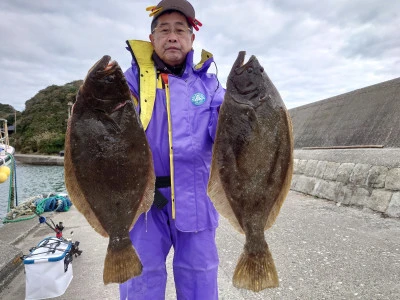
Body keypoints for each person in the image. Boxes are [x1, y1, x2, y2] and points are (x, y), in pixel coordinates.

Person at [119, 0, 225, 299]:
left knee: (200, 283)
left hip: (197, 199)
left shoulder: (212, 87)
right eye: (164, 30)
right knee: (140, 283)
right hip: (141, 202)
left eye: (181, 30)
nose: (172, 36)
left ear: (192, 39)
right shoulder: (127, 84)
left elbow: (228, 136)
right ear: (152, 39)